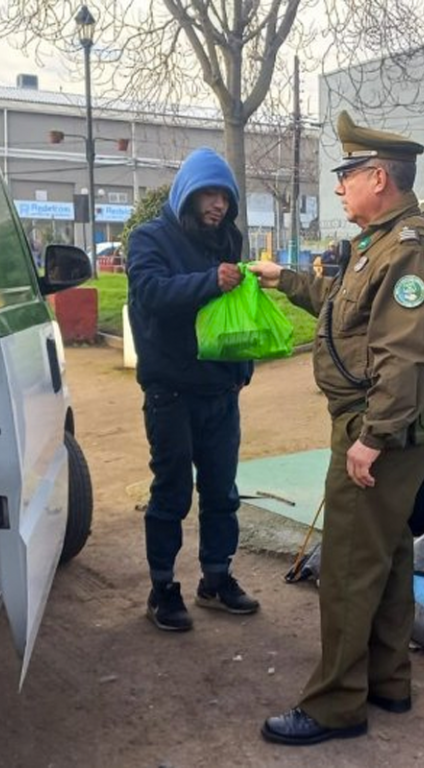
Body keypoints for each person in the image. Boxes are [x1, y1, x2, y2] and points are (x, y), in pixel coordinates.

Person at [249, 111, 424, 745]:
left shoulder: (409, 251)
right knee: (389, 555)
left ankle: (337, 704)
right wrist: (284, 280)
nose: (339, 186)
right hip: (380, 425)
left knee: (345, 567)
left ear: (378, 177)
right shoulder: (381, 245)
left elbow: (405, 355)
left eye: (347, 174)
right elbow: (344, 313)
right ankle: (388, 681)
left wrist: (370, 440)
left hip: (379, 431)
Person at [127, 147, 260, 633]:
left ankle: (216, 579)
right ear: (187, 193)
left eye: (225, 196)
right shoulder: (149, 238)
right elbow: (151, 295)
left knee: (222, 492)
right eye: (209, 193)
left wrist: (242, 370)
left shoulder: (228, 240)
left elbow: (234, 315)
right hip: (172, 394)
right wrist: (210, 281)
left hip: (221, 391)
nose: (218, 205)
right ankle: (162, 587)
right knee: (171, 493)